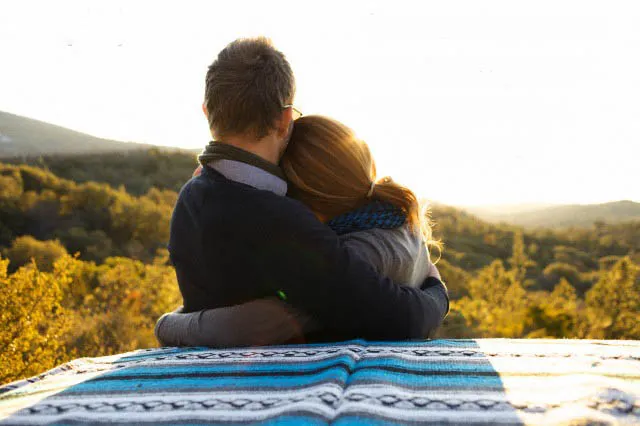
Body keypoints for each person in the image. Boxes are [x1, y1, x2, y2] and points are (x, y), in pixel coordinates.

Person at [159, 37, 449, 347]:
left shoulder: (189, 201)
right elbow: (399, 318)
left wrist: (168, 324)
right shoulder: (283, 222)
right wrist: (437, 290)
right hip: (276, 384)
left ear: (207, 112)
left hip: (209, 378)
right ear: (284, 120)